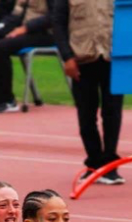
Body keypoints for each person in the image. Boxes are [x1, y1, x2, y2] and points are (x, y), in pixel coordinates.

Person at [53, 0, 125, 185]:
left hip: (113, 58)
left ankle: (110, 165)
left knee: (113, 112)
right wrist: (67, 57)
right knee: (86, 114)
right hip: (82, 59)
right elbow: (58, 24)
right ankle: (93, 163)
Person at [0, 0, 55, 113]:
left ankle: (6, 100)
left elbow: (54, 16)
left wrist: (26, 28)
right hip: (20, 29)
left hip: (44, 33)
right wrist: (1, 28)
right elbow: (16, 13)